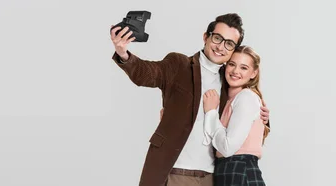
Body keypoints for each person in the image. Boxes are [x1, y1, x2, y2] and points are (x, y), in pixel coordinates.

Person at [109, 13, 271, 186]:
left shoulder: (230, 80)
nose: (221, 47)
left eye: (229, 43)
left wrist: (265, 119)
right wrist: (123, 53)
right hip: (176, 173)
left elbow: (241, 114)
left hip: (212, 177)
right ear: (206, 37)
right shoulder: (179, 64)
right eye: (217, 38)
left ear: (233, 49)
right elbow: (147, 73)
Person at [202, 45, 269, 186]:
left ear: (254, 73)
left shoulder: (246, 97)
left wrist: (211, 113)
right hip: (229, 171)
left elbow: (227, 147)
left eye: (244, 68)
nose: (235, 71)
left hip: (239, 170)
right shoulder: (232, 99)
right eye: (232, 64)